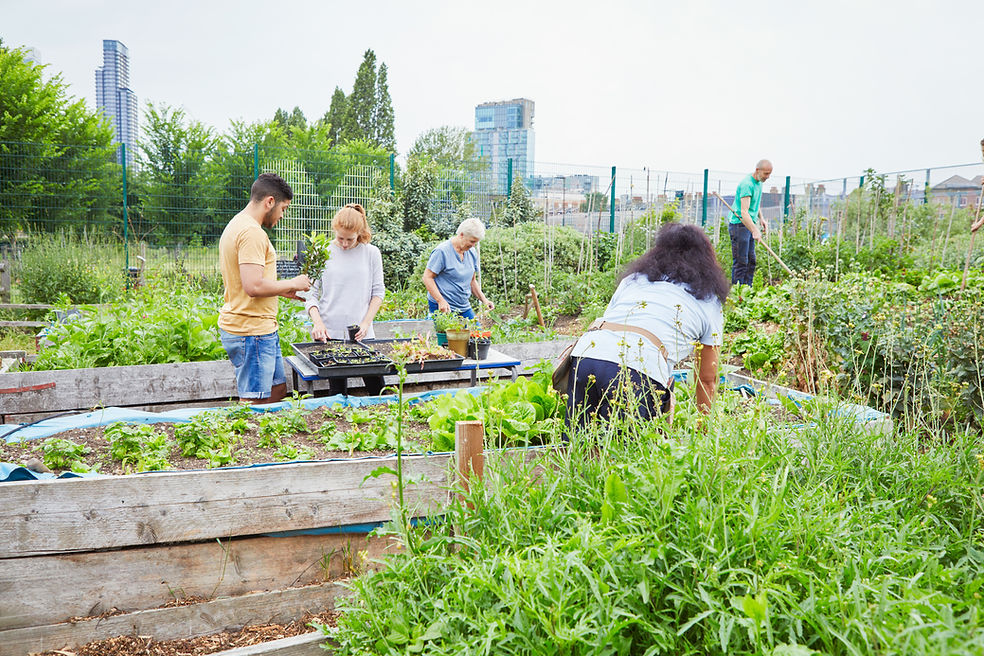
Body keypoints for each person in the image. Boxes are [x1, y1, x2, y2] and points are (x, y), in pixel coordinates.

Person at [566, 222, 728, 429]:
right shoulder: (707, 300)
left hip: (587, 356)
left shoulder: (633, 280)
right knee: (629, 456)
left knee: (581, 446)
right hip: (636, 368)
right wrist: (705, 430)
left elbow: (613, 327)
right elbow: (706, 380)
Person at [218, 173, 311, 404]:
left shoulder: (238, 224)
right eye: (283, 208)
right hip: (251, 332)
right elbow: (253, 285)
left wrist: (280, 290)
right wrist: (293, 283)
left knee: (277, 391)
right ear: (269, 201)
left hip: (259, 329)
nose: (282, 215)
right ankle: (245, 441)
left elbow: (248, 282)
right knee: (255, 402)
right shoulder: (251, 233)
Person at [304, 203, 386, 396]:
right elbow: (310, 294)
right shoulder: (321, 252)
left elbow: (378, 292)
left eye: (350, 239)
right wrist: (318, 323)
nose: (344, 244)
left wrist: (366, 323)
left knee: (379, 392)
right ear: (334, 230)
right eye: (340, 238)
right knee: (337, 395)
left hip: (363, 334)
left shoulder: (371, 253)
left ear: (359, 232)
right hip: (330, 334)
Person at [422, 218, 494, 319]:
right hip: (443, 306)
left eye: (476, 242)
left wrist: (484, 300)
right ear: (461, 235)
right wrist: (440, 300)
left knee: (477, 333)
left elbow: (472, 281)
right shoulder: (442, 252)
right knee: (445, 334)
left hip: (463, 306)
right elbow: (427, 277)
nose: (473, 245)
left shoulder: (471, 252)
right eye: (472, 241)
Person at [728, 159, 772, 286]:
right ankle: (737, 295)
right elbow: (744, 212)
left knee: (751, 261)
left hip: (749, 224)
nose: (767, 177)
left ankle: (748, 291)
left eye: (769, 174)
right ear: (758, 170)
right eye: (766, 174)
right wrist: (755, 230)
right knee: (741, 262)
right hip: (739, 225)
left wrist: (761, 218)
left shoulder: (759, 182)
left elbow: (755, 204)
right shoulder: (747, 184)